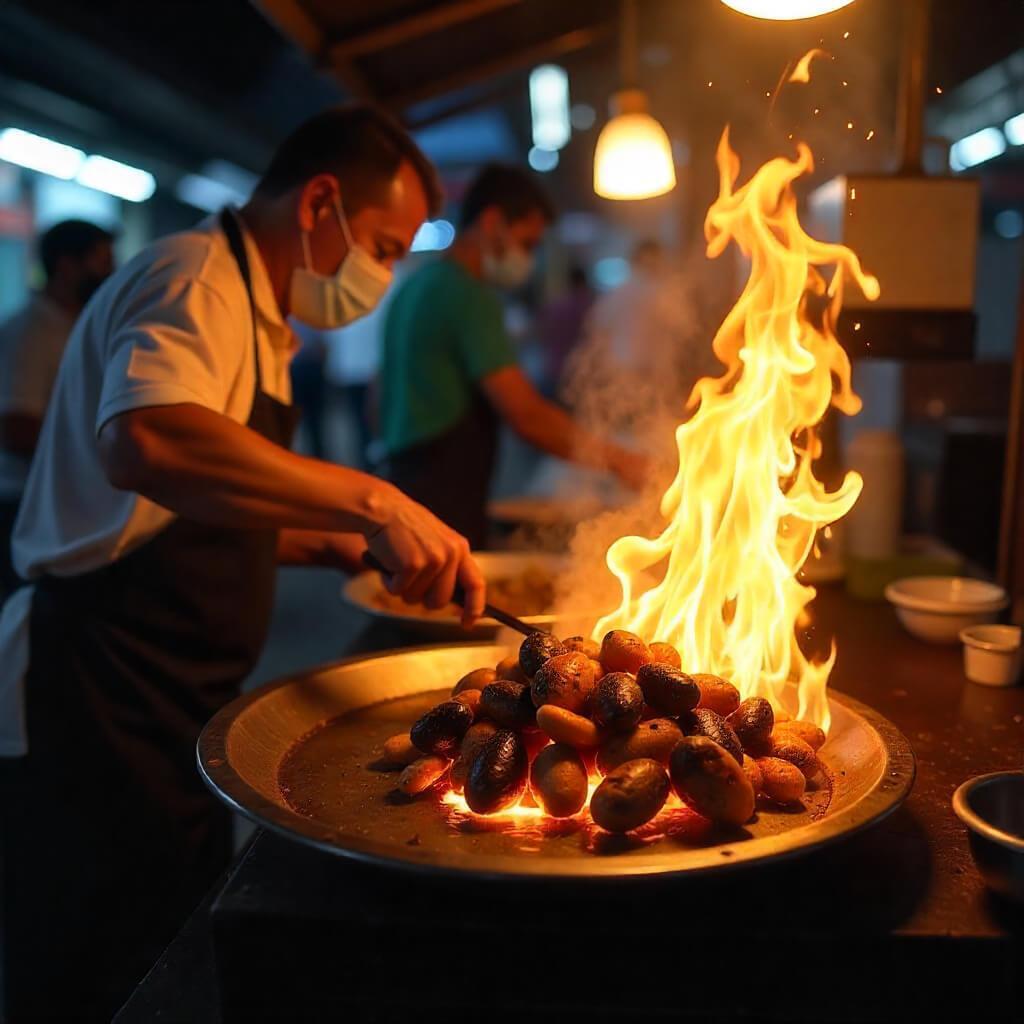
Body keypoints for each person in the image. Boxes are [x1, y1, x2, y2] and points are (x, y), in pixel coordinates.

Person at [0, 104, 485, 1023]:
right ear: (321, 205)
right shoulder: (196, 281)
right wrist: (373, 500)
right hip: (96, 689)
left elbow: (186, 511)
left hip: (162, 693)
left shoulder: (258, 312)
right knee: (96, 966)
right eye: (383, 246)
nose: (380, 276)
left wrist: (342, 542)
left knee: (164, 936)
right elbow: (143, 444)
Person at [378, 164, 644, 548]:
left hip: (401, 484)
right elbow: (526, 415)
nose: (528, 258)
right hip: (441, 501)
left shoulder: (413, 288)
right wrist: (623, 462)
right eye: (527, 244)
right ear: (492, 222)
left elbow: (376, 400)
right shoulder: (468, 294)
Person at [0, 219, 115, 597]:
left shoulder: (75, 326)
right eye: (101, 261)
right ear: (67, 265)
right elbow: (16, 427)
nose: (110, 271)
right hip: (23, 503)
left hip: (60, 499)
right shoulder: (30, 333)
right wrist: (99, 459)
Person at [536, 264, 594, 397]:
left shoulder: (555, 306)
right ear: (585, 281)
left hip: (556, 370)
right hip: (583, 373)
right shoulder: (593, 307)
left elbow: (541, 334)